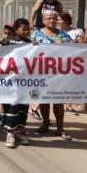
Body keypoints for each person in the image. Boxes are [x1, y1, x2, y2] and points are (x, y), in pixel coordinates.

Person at [31, 9, 73, 140]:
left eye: (54, 18)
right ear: (43, 20)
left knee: (58, 101)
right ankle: (45, 124)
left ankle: (60, 128)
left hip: (59, 73)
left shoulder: (64, 35)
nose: (52, 20)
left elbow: (74, 51)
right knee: (43, 99)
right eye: (49, 18)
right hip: (41, 72)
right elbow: (29, 51)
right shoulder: (36, 34)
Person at [1, 18, 32, 148]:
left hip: (25, 80)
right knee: (12, 106)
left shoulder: (31, 43)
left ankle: (19, 131)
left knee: (23, 107)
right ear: (16, 30)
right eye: (23, 29)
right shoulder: (8, 42)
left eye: (27, 30)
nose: (26, 32)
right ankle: (10, 133)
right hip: (11, 80)